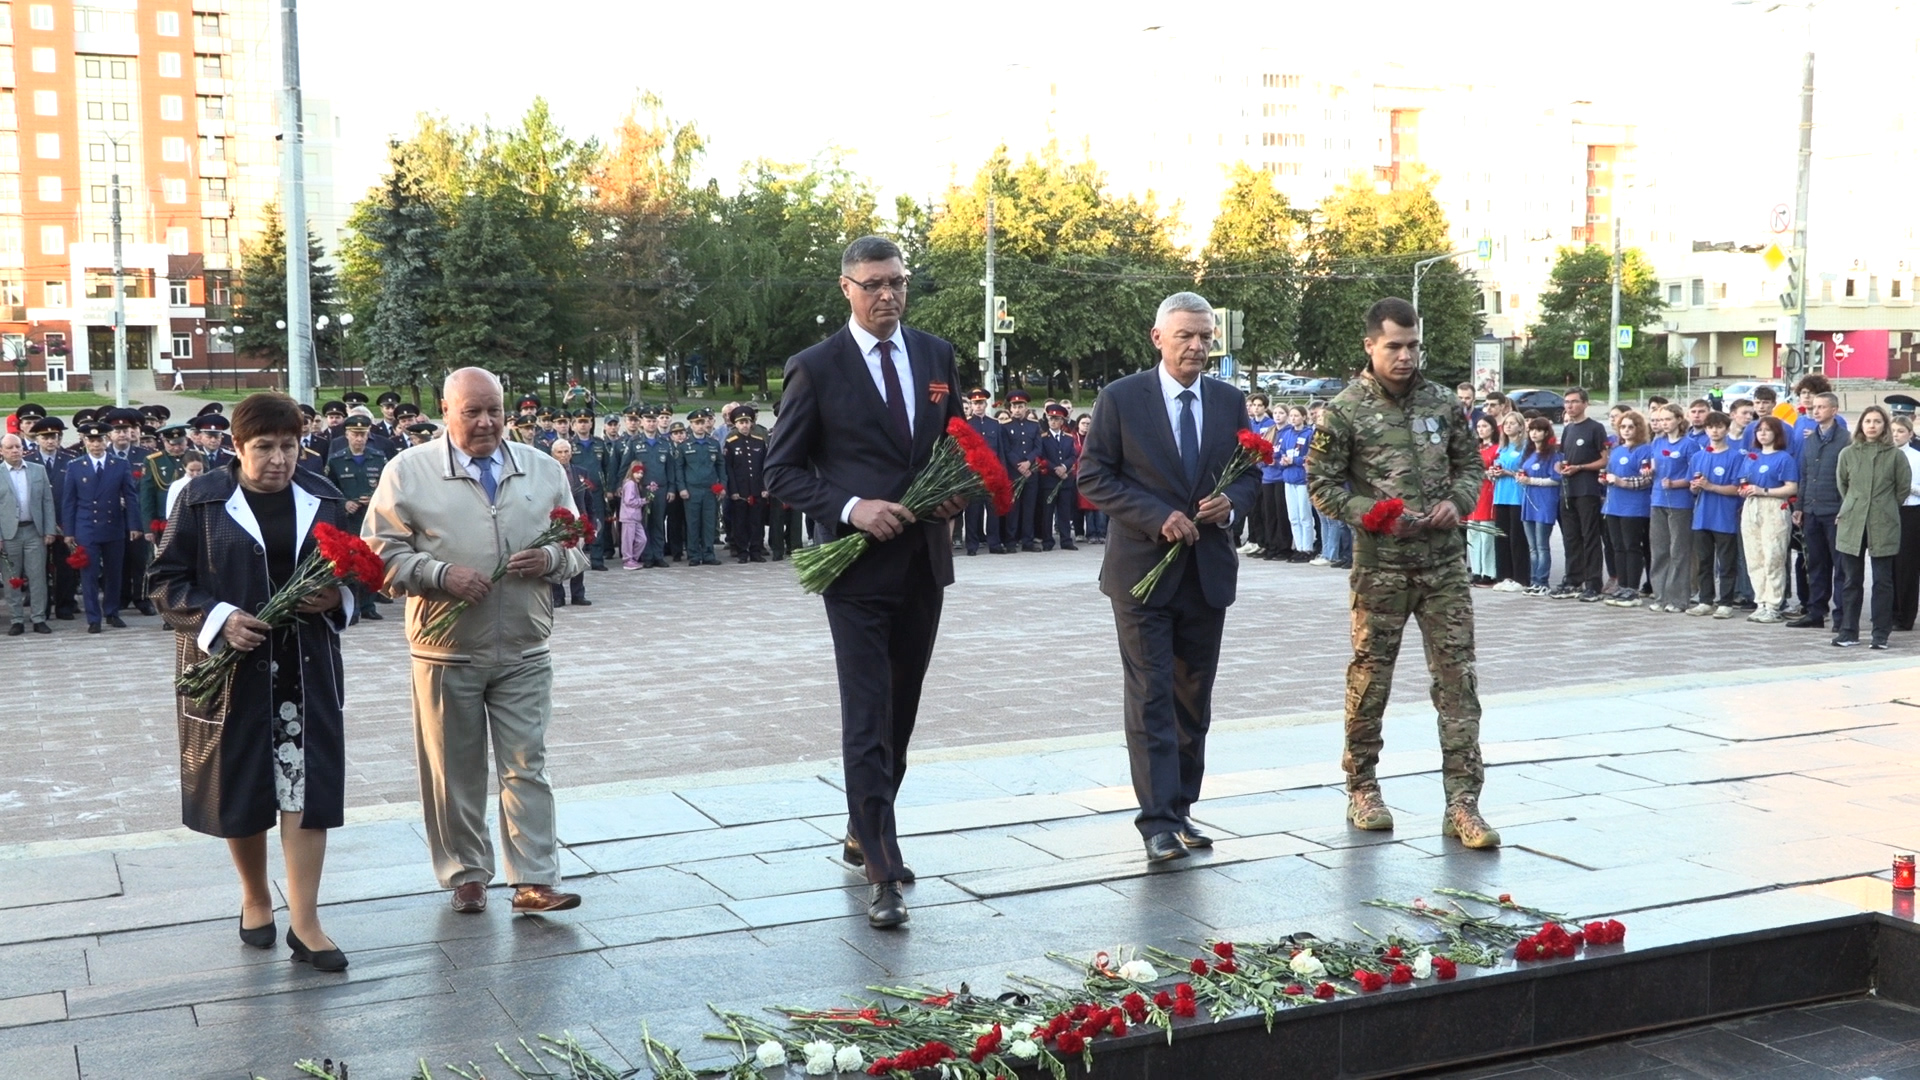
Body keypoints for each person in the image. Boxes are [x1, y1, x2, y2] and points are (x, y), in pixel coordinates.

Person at [763, 236, 966, 929]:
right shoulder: (815, 368)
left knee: (900, 714)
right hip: (853, 568)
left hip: (923, 563)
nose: (888, 296)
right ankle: (882, 865)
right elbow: (781, 471)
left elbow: (956, 445)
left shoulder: (937, 356)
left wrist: (957, 492)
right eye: (874, 284)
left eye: (898, 283)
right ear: (845, 288)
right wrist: (853, 509)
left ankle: (862, 826)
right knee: (867, 712)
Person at [362, 367, 589, 916]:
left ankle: (534, 879)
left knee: (525, 763)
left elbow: (579, 546)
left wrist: (553, 559)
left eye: (495, 410)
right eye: (473, 411)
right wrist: (440, 574)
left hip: (524, 646)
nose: (487, 422)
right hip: (446, 650)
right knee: (455, 769)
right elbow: (378, 554)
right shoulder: (407, 472)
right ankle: (466, 873)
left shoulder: (541, 469)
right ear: (445, 410)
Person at [148, 392, 355, 971]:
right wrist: (219, 618)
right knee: (243, 787)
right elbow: (165, 581)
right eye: (264, 447)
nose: (278, 459)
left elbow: (352, 577)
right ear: (237, 447)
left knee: (305, 791)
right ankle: (255, 897)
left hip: (304, 670)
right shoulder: (203, 498)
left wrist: (337, 599)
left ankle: (307, 922)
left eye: (289, 445)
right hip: (233, 672)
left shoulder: (324, 497)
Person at [1307, 296, 1498, 849]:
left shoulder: (1443, 402)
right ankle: (1361, 786)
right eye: (1394, 346)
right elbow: (1321, 483)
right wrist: (1370, 514)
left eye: (1413, 345)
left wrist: (1457, 503)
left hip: (1443, 567)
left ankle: (1463, 804)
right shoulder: (1344, 410)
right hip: (1382, 569)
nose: (1406, 356)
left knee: (1458, 681)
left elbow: (1471, 465)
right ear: (1370, 346)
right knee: (1371, 680)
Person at [1078, 292, 1258, 865]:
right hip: (1141, 574)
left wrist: (1230, 501)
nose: (1198, 347)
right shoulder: (1121, 398)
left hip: (1205, 572)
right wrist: (1158, 516)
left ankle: (1181, 808)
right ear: (1158, 337)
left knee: (1191, 698)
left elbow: (1253, 474)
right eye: (1186, 336)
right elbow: (1094, 476)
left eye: (1206, 337)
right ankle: (1155, 820)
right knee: (1151, 692)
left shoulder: (1229, 401)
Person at [1833, 405, 1912, 649]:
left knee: (1883, 581)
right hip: (1853, 521)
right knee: (1851, 580)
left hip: (1883, 521)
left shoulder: (1896, 455)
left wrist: (1884, 506)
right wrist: (1855, 504)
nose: (1872, 425)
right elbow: (1843, 484)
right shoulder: (1847, 453)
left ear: (1884, 426)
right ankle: (1848, 631)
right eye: (1868, 421)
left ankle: (1880, 634)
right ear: (1861, 425)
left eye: (1877, 421)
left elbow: (1902, 489)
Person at [60, 420, 140, 633]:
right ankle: (93, 617)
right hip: (86, 527)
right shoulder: (75, 466)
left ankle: (112, 612)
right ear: (85, 442)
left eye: (99, 440)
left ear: (107, 440)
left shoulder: (120, 464)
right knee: (89, 574)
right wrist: (69, 532)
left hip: (113, 525)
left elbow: (130, 496)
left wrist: (134, 525)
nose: (96, 445)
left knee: (114, 573)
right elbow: (69, 501)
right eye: (91, 440)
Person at [1788, 392, 1850, 629]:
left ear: (1834, 410)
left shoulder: (1846, 440)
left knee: (1841, 565)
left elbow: (1850, 479)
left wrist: (1845, 509)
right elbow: (1805, 475)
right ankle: (1816, 612)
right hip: (1812, 511)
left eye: (1822, 407)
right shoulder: (1810, 439)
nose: (1816, 411)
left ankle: (1842, 615)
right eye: (1814, 407)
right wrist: (1800, 507)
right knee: (1815, 563)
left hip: (1835, 512)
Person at [1738, 416, 1800, 624]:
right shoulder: (1751, 457)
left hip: (1774, 506)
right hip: (1751, 507)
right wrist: (1744, 490)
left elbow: (1792, 487)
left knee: (1773, 555)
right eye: (1759, 430)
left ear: (1777, 434)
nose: (1762, 434)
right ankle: (1761, 601)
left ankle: (1774, 603)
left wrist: (1764, 491)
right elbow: (1742, 481)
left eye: (1767, 430)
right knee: (1754, 556)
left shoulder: (1784, 458)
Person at [1686, 412, 1744, 619]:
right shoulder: (1698, 457)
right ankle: (1705, 600)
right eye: (1711, 427)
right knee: (1704, 561)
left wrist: (1711, 486)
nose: (1715, 431)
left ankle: (1726, 602)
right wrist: (1696, 487)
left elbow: (1738, 488)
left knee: (1726, 562)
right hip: (1701, 516)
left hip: (1725, 516)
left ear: (1727, 429)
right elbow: (1692, 488)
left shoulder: (1736, 457)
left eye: (1719, 427)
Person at [1552, 388, 1607, 602]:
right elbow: (1565, 456)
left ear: (1585, 403)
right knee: (1571, 537)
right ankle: (1573, 579)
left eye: (1574, 402)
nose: (1569, 406)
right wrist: (1560, 466)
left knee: (1590, 536)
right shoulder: (1568, 429)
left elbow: (1604, 460)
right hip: (1567, 490)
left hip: (1587, 489)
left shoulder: (1596, 428)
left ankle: (1593, 583)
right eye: (1567, 402)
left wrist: (1581, 467)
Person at [2, 433, 57, 635]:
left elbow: (47, 502)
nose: (15, 450)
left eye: (17, 446)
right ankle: (17, 619)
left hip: (34, 530)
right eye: (9, 447)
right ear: (1, 451)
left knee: (37, 576)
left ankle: (39, 618)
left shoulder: (37, 470)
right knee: (12, 578)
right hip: (9, 534)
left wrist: (49, 529)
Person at [1599, 410, 1654, 608]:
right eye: (1623, 427)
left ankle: (1633, 588)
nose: (1627, 430)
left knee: (1632, 546)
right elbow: (1611, 474)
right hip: (1613, 506)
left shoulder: (1645, 450)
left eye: (1631, 426)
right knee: (1617, 547)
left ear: (1639, 428)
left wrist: (1621, 481)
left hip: (1634, 507)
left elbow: (1646, 479)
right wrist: (1605, 479)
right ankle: (1622, 585)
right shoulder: (1617, 450)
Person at [1647, 403, 1698, 615]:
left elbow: (1695, 475)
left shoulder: (1689, 444)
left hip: (1680, 503)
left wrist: (1677, 483)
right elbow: (1653, 467)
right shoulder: (1657, 442)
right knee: (1659, 550)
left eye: (1668, 419)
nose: (1664, 424)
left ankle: (1678, 598)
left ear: (1679, 419)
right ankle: (1660, 595)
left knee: (1678, 551)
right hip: (1657, 500)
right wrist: (1648, 473)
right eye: (1661, 420)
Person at [1515, 418, 1561, 595]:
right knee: (1532, 547)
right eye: (1532, 430)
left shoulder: (1554, 455)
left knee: (1542, 546)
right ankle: (1534, 579)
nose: (1534, 433)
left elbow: (1556, 479)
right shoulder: (1530, 453)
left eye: (1539, 430)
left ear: (1546, 432)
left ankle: (1543, 581)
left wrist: (1532, 480)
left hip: (1545, 502)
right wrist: (1521, 478)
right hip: (1529, 502)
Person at [961, 389, 1008, 555]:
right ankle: (972, 545)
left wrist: (1002, 472)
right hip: (973, 474)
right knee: (973, 511)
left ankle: (994, 543)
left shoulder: (994, 424)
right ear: (971, 405)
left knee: (993, 510)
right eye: (975, 403)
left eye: (981, 403)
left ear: (986, 404)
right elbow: (962, 451)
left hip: (992, 473)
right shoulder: (966, 424)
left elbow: (1000, 450)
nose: (978, 406)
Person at [723, 406, 770, 563]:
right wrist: (733, 490)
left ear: (751, 424)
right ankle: (742, 551)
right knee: (740, 523)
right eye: (741, 423)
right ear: (735, 425)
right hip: (740, 491)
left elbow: (764, 467)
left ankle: (756, 551)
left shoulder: (759, 442)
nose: (744, 426)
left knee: (757, 522)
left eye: (747, 422)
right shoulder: (731, 443)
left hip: (757, 489)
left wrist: (765, 487)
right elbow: (729, 469)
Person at [1489, 413, 1530, 591]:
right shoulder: (1502, 448)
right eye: (1506, 423)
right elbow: (1497, 465)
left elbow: (1524, 472)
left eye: (1513, 423)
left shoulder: (1525, 448)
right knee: (1501, 536)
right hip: (1501, 495)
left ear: (1521, 427)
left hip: (1517, 496)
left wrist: (1508, 473)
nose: (1508, 426)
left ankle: (1520, 577)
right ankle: (1504, 575)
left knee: (1517, 537)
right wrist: (1493, 473)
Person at [1277, 405, 1315, 564]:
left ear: (1304, 418)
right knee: (1293, 516)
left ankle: (1307, 548)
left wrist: (1296, 460)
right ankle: (1298, 547)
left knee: (1304, 515)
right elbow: (1281, 452)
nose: (1293, 419)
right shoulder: (1286, 434)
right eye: (1291, 416)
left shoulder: (1308, 434)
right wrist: (1283, 460)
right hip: (1288, 478)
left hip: (1302, 479)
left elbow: (1310, 457)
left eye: (1297, 416)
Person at [1894, 415, 1920, 632]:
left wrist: (1906, 486)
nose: (1896, 435)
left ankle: (1905, 615)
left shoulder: (1916, 458)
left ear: (1910, 434)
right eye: (1892, 430)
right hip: (1888, 512)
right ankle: (1891, 611)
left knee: (1907, 565)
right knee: (1889, 563)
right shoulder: (1886, 455)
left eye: (1901, 431)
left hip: (1911, 511)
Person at [1466, 417, 1499, 587]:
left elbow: (1495, 470)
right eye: (1478, 426)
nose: (1481, 429)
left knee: (1486, 534)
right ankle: (1476, 570)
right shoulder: (1475, 448)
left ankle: (1489, 571)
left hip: (1488, 492)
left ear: (1492, 428)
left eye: (1484, 426)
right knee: (1473, 533)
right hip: (1474, 493)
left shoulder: (1496, 448)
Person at [617, 462, 650, 571]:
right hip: (629, 516)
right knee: (628, 539)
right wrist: (643, 501)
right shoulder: (630, 484)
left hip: (635, 517)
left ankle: (633, 558)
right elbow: (629, 501)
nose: (640, 475)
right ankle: (627, 560)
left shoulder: (634, 484)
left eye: (641, 473)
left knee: (642, 539)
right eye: (637, 473)